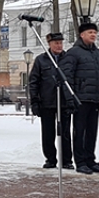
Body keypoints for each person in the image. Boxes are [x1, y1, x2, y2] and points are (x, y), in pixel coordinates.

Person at [64, 22, 99, 175]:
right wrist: (70, 97)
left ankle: (90, 159)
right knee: (80, 131)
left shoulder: (98, 53)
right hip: (80, 98)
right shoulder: (73, 53)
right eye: (90, 32)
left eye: (95, 33)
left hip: (95, 98)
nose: (93, 35)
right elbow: (66, 77)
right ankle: (80, 161)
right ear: (82, 34)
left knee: (92, 131)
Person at [29, 32, 75, 170]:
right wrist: (35, 101)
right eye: (56, 43)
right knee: (48, 133)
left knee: (65, 133)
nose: (59, 45)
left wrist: (72, 99)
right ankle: (50, 159)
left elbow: (74, 80)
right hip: (47, 103)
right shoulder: (41, 60)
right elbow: (33, 82)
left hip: (65, 102)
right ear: (49, 44)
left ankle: (67, 160)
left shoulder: (69, 59)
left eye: (61, 42)